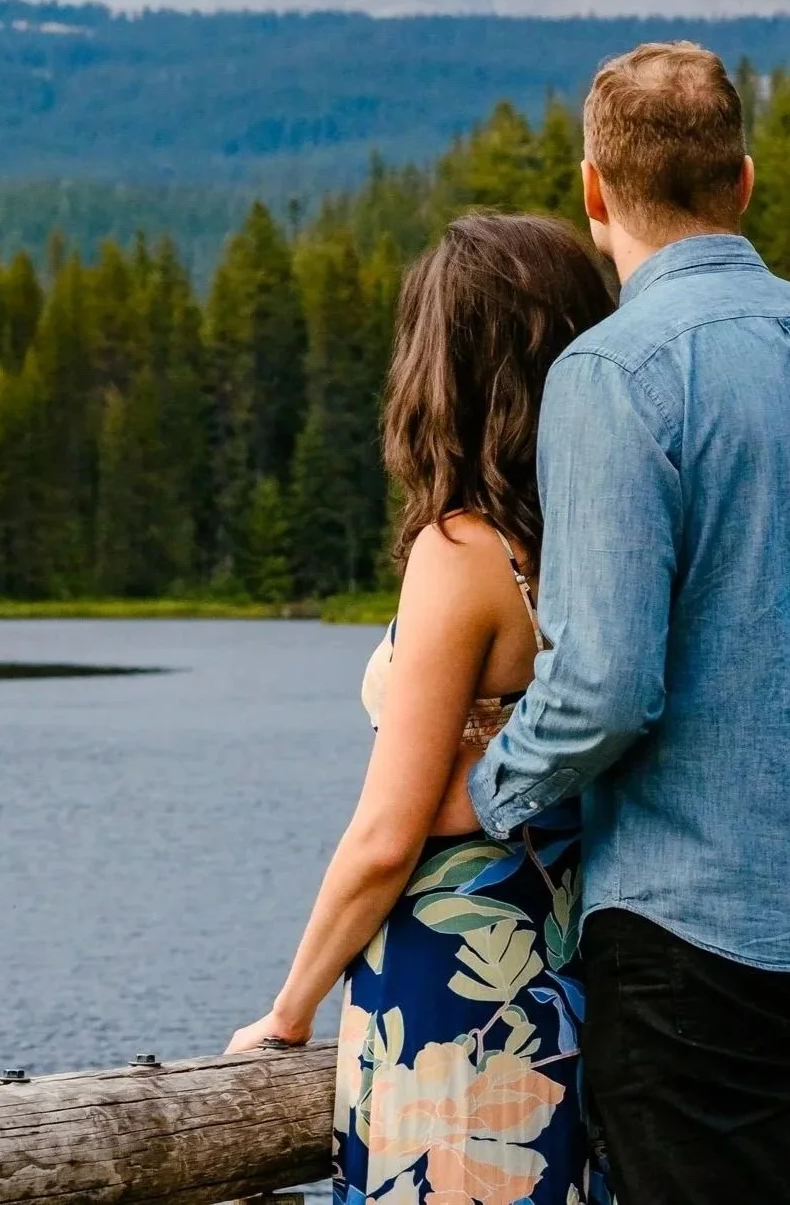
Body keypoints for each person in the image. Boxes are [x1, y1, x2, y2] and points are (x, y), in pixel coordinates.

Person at [227, 212, 614, 1205]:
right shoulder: (597, 544)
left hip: (446, 994)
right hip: (555, 984)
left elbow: (388, 834)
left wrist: (287, 1010)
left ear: (446, 369)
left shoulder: (460, 553)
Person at [468, 42, 790, 1203]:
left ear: (593, 190)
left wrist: (485, 789)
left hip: (692, 946)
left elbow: (604, 686)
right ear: (741, 181)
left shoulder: (615, 373)